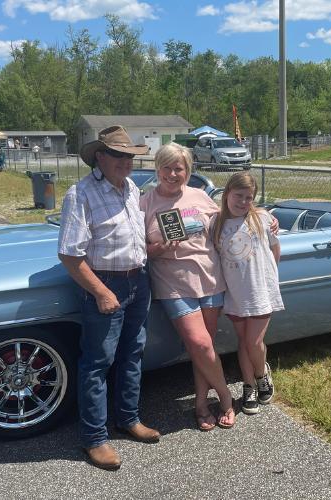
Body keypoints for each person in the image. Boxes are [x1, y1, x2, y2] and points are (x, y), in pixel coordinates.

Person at [57, 125, 159, 471]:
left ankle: (128, 419)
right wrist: (100, 291)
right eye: (118, 154)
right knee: (97, 363)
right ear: (99, 156)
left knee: (133, 354)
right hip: (105, 283)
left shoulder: (131, 188)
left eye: (129, 155)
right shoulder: (80, 194)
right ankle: (94, 439)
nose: (125, 161)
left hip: (137, 281)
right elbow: (70, 255)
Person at [140, 143, 235, 431]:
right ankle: (227, 398)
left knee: (202, 350)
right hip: (172, 282)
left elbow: (229, 222)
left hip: (209, 277)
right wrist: (157, 249)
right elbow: (137, 248)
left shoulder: (201, 197)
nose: (172, 173)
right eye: (166, 167)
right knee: (199, 343)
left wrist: (266, 223)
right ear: (157, 169)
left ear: (188, 171)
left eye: (178, 168)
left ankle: (201, 405)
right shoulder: (144, 203)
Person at [212, 172, 284, 415]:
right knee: (243, 342)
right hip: (235, 294)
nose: (243, 202)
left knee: (254, 341)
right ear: (227, 194)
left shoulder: (262, 218)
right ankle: (249, 384)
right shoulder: (217, 223)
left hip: (260, 292)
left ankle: (262, 374)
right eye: (238, 196)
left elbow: (275, 249)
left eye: (248, 197)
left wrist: (268, 277)